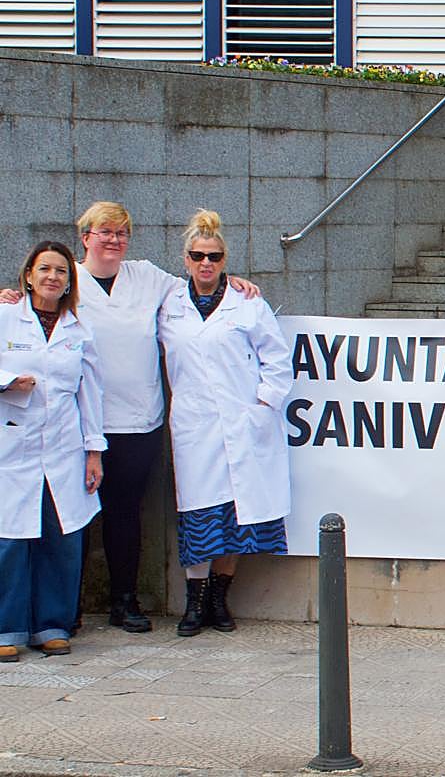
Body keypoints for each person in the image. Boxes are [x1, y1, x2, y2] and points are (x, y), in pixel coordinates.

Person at [2, 202, 259, 632]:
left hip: (138, 421)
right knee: (73, 520)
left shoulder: (148, 277)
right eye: (104, 232)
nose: (113, 240)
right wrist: (13, 298)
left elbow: (198, 283)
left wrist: (233, 283)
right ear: (85, 237)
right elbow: (31, 312)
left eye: (121, 233)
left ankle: (124, 601)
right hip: (78, 425)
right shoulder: (68, 280)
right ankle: (70, 610)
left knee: (126, 513)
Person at [158, 209, 292, 637]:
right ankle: (194, 603)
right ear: (186, 260)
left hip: (241, 422)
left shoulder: (247, 302)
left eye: (214, 257)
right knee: (200, 513)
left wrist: (262, 405)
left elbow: (277, 358)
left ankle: (220, 598)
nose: (206, 264)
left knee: (237, 516)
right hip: (195, 428)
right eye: (198, 256)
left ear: (224, 259)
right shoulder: (168, 305)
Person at [0, 241, 106, 660]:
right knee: (10, 540)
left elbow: (91, 393)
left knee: (62, 537)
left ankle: (53, 625)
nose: (52, 277)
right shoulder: (6, 317)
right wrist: (9, 381)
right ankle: (8, 628)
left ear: (69, 282)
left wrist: (94, 451)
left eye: (61, 271)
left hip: (64, 446)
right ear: (28, 275)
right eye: (44, 269)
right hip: (13, 446)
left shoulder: (78, 330)